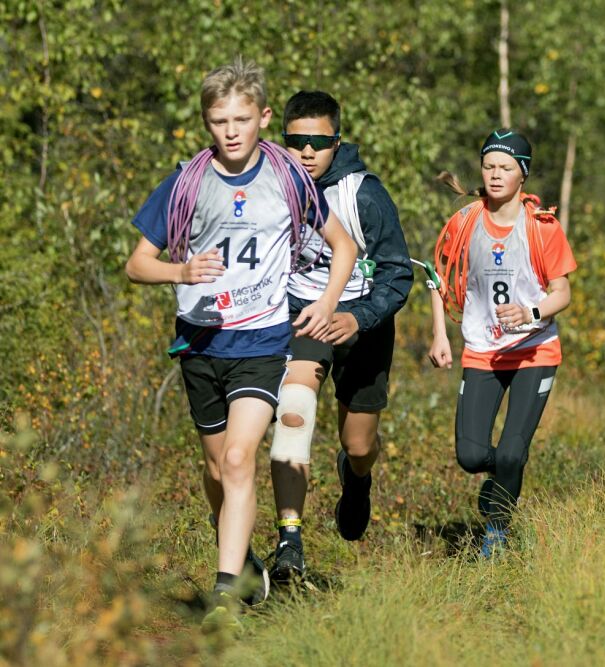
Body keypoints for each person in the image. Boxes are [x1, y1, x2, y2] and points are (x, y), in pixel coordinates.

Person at [125, 58, 357, 631]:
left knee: (237, 458)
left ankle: (224, 598)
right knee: (216, 471)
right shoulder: (186, 181)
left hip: (262, 340)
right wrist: (181, 273)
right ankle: (246, 565)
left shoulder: (287, 178)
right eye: (218, 120)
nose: (230, 131)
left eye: (242, 118)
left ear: (264, 118)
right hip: (201, 342)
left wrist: (326, 303)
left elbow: (343, 246)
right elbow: (137, 265)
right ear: (206, 122)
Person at [267, 90, 412, 581]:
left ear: (337, 141)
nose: (307, 152)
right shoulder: (270, 187)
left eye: (319, 141)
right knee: (293, 409)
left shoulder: (363, 194)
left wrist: (357, 318)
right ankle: (289, 540)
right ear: (283, 140)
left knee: (358, 445)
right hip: (303, 316)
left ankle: (356, 480)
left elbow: (397, 275)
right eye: (297, 141)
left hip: (362, 323)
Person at [428, 129, 576, 558]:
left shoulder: (542, 227)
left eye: (505, 167)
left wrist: (531, 314)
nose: (495, 175)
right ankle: (502, 479)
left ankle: (496, 532)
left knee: (512, 452)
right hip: (482, 350)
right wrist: (440, 333)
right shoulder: (464, 222)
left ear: (522, 174)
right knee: (471, 455)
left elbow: (562, 293)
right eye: (489, 166)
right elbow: (437, 280)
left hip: (535, 350)